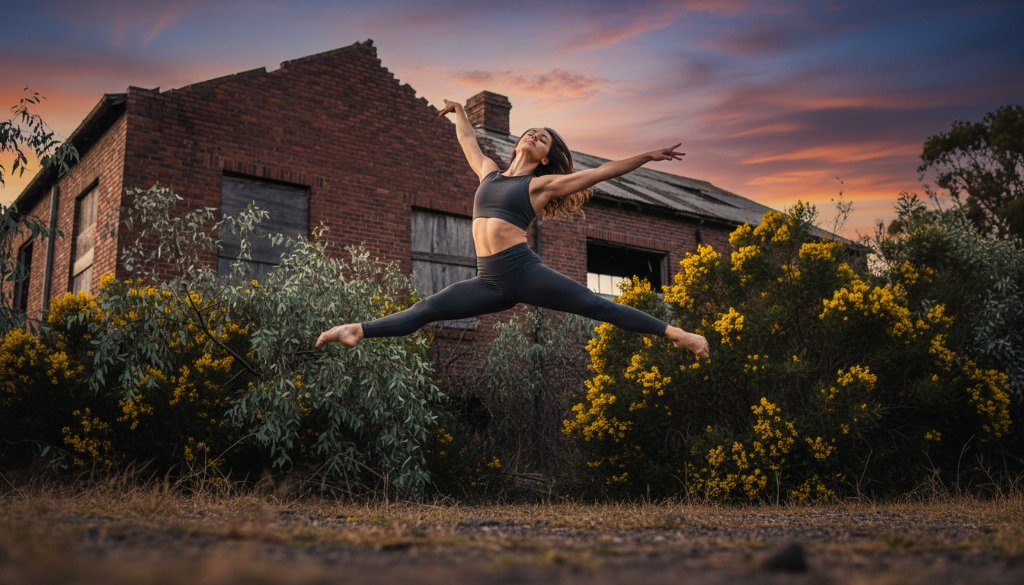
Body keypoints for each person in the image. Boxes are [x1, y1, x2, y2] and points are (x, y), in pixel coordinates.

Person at [316, 99, 710, 359]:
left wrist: (648, 156)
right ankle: (356, 330)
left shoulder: (540, 186)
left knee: (595, 305)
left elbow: (602, 172)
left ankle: (677, 334)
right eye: (533, 131)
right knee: (426, 309)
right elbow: (468, 141)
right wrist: (461, 113)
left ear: (544, 159)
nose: (535, 136)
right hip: (488, 281)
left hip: (523, 272)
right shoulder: (489, 173)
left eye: (544, 140)